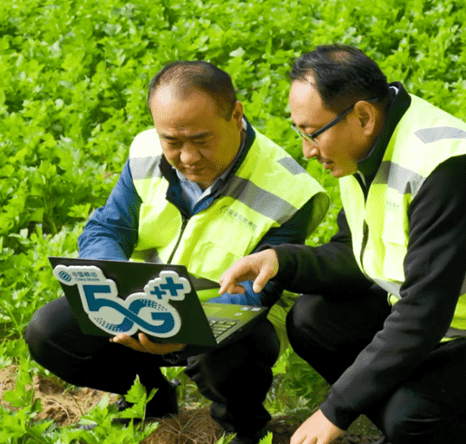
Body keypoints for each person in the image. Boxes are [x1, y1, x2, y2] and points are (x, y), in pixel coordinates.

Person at [219, 44, 466, 444]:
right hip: (447, 324)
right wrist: (280, 260)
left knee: (409, 413)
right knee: (314, 321)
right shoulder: (364, 148)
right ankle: (418, 433)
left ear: (363, 116)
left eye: (312, 133)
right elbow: (358, 256)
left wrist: (335, 410)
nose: (307, 150)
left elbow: (423, 312)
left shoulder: (451, 168)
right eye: (299, 131)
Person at [24, 61, 328, 444]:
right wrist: (114, 285)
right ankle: (150, 397)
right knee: (48, 332)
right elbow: (108, 226)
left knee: (227, 358)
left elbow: (257, 293)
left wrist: (183, 333)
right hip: (143, 304)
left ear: (236, 115)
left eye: (201, 140)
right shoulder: (146, 152)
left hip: (233, 320)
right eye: (173, 142)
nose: (187, 158)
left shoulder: (288, 191)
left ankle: (244, 426)